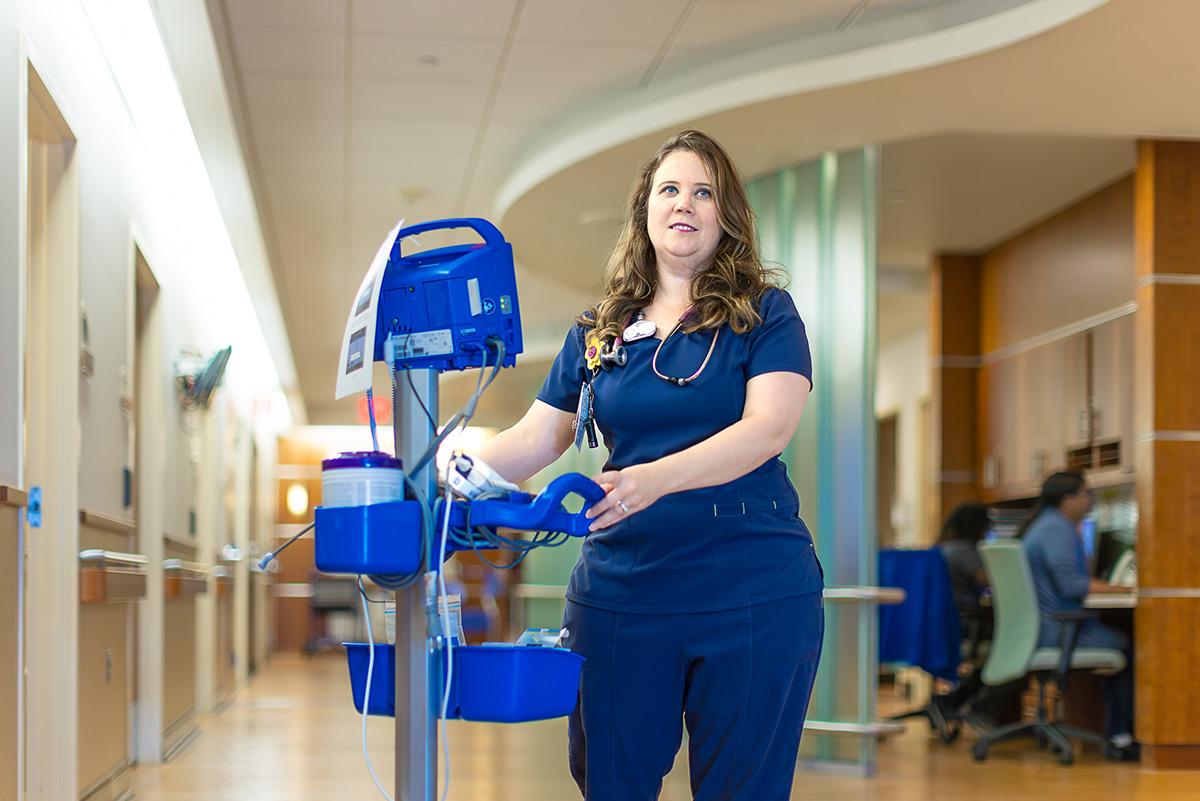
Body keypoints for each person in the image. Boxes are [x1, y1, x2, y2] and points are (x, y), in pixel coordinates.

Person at [472, 129, 823, 800]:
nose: (684, 204)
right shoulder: (599, 331)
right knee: (612, 781)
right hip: (624, 591)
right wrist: (442, 478)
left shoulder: (766, 315)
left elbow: (767, 430)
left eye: (703, 192)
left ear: (727, 215)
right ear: (645, 211)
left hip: (752, 587)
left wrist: (653, 478)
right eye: (670, 189)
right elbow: (538, 438)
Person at [1017, 470, 1137, 760]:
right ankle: (1121, 736)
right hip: (1058, 628)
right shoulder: (1057, 529)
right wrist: (1121, 586)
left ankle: (1116, 733)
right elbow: (1071, 585)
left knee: (1118, 637)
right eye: (1087, 493)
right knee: (1129, 646)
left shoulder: (1045, 525)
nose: (1091, 498)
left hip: (1043, 626)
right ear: (1069, 500)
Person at [932, 502, 1019, 726]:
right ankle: (981, 708)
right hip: (963, 626)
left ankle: (953, 701)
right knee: (1016, 647)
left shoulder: (940, 549)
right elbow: (993, 582)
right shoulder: (965, 551)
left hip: (939, 627)